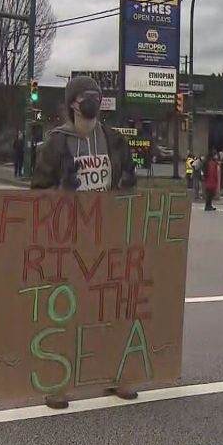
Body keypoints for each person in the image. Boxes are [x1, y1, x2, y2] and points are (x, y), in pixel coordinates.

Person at [31, 75, 139, 410]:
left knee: (110, 307)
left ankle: (114, 373)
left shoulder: (114, 140)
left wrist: (126, 183)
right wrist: (61, 191)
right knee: (65, 311)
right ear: (73, 103)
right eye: (86, 96)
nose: (93, 100)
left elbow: (130, 181)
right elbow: (37, 192)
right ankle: (58, 382)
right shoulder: (56, 143)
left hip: (106, 235)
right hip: (69, 237)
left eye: (97, 95)